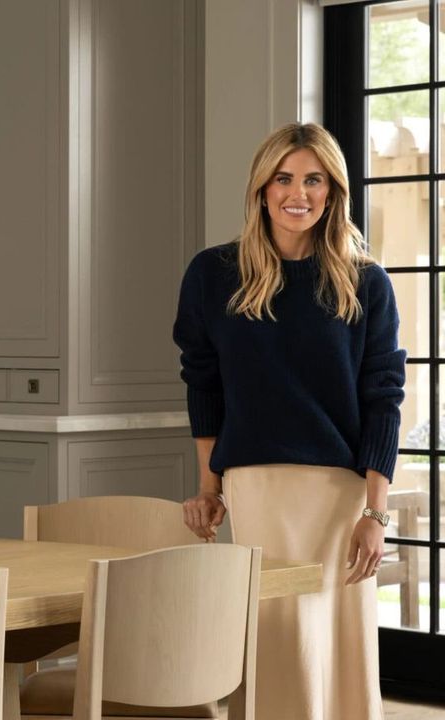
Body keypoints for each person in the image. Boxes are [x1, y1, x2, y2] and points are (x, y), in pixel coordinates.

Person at [173, 122, 405, 720]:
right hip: (259, 486)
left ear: (333, 192)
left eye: (313, 179)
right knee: (275, 638)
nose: (297, 193)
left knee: (340, 643)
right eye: (283, 178)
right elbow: (205, 384)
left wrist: (376, 512)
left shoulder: (364, 282)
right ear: (261, 187)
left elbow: (384, 398)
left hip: (340, 494)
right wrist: (209, 484)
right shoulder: (213, 274)